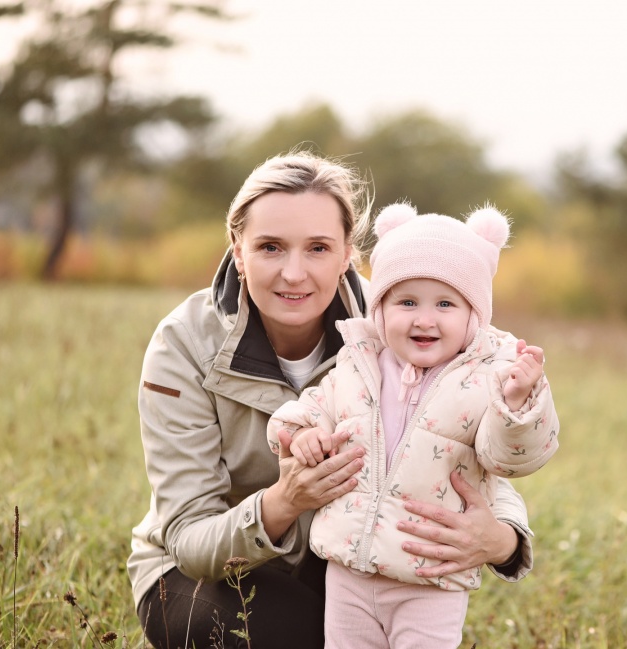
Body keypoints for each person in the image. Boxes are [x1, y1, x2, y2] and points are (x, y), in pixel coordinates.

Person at [127, 151, 538, 649]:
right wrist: (284, 502)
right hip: (200, 575)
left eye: (318, 248)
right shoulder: (184, 344)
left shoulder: (403, 316)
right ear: (238, 250)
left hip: (344, 557)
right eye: (271, 247)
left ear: (349, 254)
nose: (294, 274)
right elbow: (190, 539)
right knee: (294, 633)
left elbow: (457, 431)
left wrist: (504, 539)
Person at [267, 201, 560, 648]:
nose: (425, 318)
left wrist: (516, 404)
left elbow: (509, 459)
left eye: (445, 303)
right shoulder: (358, 364)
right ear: (381, 311)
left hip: (431, 575)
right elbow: (307, 410)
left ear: (473, 316)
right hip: (349, 568)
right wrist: (301, 435)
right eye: (407, 302)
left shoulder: (491, 378)